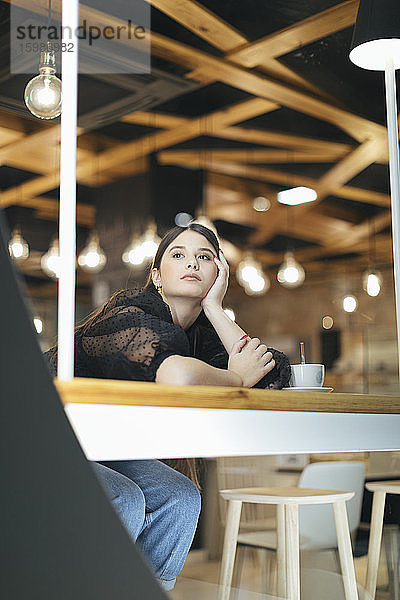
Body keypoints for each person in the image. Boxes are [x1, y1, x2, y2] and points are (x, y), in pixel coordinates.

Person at [44, 222, 290, 591]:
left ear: (218, 274)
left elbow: (270, 372)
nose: (192, 263)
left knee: (182, 498)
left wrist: (216, 308)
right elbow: (177, 374)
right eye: (179, 255)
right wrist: (235, 378)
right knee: (123, 499)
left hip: (99, 445)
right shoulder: (129, 312)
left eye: (204, 258)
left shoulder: (201, 336)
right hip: (39, 431)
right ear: (157, 276)